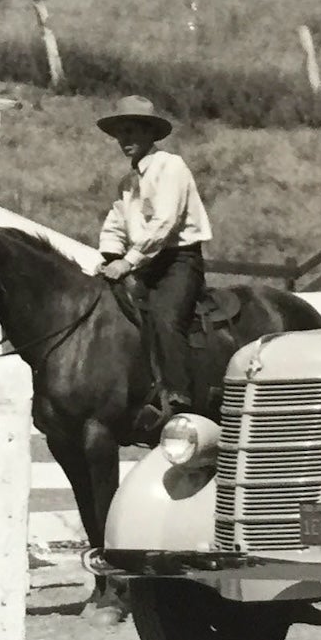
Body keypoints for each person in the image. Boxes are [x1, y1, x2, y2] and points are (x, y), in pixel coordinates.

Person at [93, 94, 214, 432]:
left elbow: (165, 223)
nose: (125, 140)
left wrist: (128, 261)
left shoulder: (170, 166)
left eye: (132, 131)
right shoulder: (128, 182)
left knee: (165, 316)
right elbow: (115, 224)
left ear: (149, 133)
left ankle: (179, 397)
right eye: (121, 133)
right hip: (144, 262)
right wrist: (110, 258)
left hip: (178, 261)